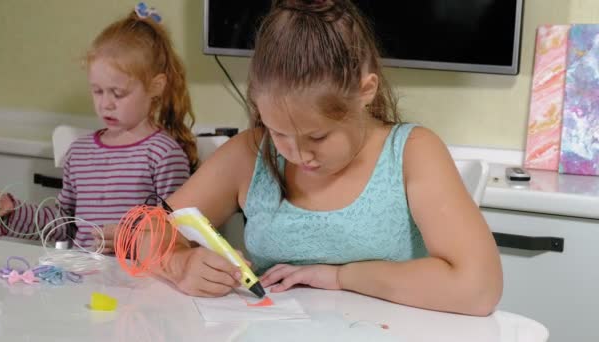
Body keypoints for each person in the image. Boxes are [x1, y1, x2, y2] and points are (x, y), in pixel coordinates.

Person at [150, 0, 502, 316]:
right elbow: (141, 230)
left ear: (366, 92)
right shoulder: (250, 152)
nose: (298, 154)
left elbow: (478, 289)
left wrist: (341, 277)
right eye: (279, 132)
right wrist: (179, 262)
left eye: (317, 136)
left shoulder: (412, 153)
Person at [0, 4, 197, 252]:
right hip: (83, 280)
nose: (105, 104)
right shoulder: (79, 152)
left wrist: (131, 240)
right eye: (97, 91)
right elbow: (63, 225)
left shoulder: (164, 155)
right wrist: (12, 211)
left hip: (139, 284)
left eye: (118, 93)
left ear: (155, 87)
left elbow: (179, 234)